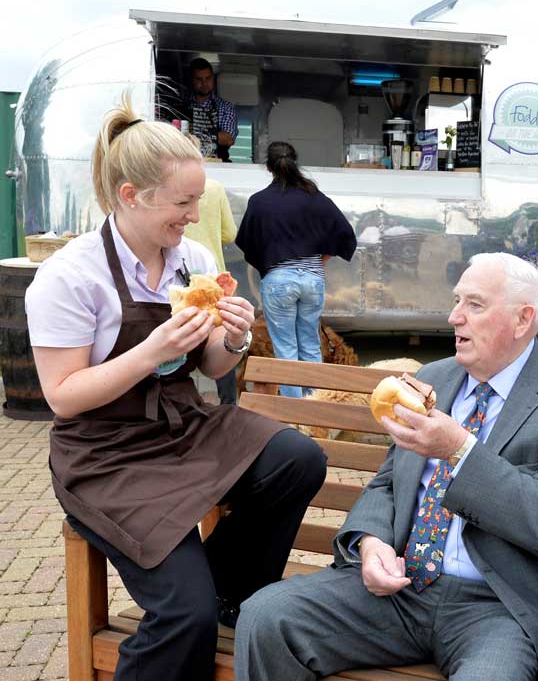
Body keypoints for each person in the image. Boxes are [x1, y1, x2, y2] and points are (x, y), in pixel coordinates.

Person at [24, 96, 328, 681]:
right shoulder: (69, 276)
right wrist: (154, 349)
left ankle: (226, 594)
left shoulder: (191, 258)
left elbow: (211, 368)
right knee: (181, 619)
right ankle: (194, 605)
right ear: (130, 196)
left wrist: (234, 339)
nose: (194, 216)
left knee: (298, 458)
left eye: (199, 200)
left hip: (184, 428)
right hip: (106, 451)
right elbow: (63, 395)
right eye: (184, 202)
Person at [234, 252, 538, 681]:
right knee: (266, 616)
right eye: (456, 301)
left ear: (522, 319)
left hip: (498, 606)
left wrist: (459, 449)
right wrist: (371, 542)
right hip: (401, 591)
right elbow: (387, 483)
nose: (454, 317)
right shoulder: (436, 377)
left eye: (474, 304)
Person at [236, 141, 356, 399]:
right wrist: (319, 261)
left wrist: (270, 266)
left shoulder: (259, 201)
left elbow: (247, 241)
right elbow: (345, 233)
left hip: (279, 282)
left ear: (268, 167)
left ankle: (295, 412)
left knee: (285, 350)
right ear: (295, 162)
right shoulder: (315, 197)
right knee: (311, 345)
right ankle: (315, 409)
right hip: (313, 280)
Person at [182, 135, 240, 404]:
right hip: (211, 275)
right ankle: (228, 402)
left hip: (180, 276)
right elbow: (229, 234)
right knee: (220, 332)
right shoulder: (215, 188)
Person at [187, 57, 238, 162]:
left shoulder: (225, 107)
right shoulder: (181, 105)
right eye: (199, 79)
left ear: (213, 78)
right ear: (192, 80)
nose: (204, 83)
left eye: (208, 78)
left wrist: (195, 130)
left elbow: (228, 139)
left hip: (217, 165)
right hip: (185, 164)